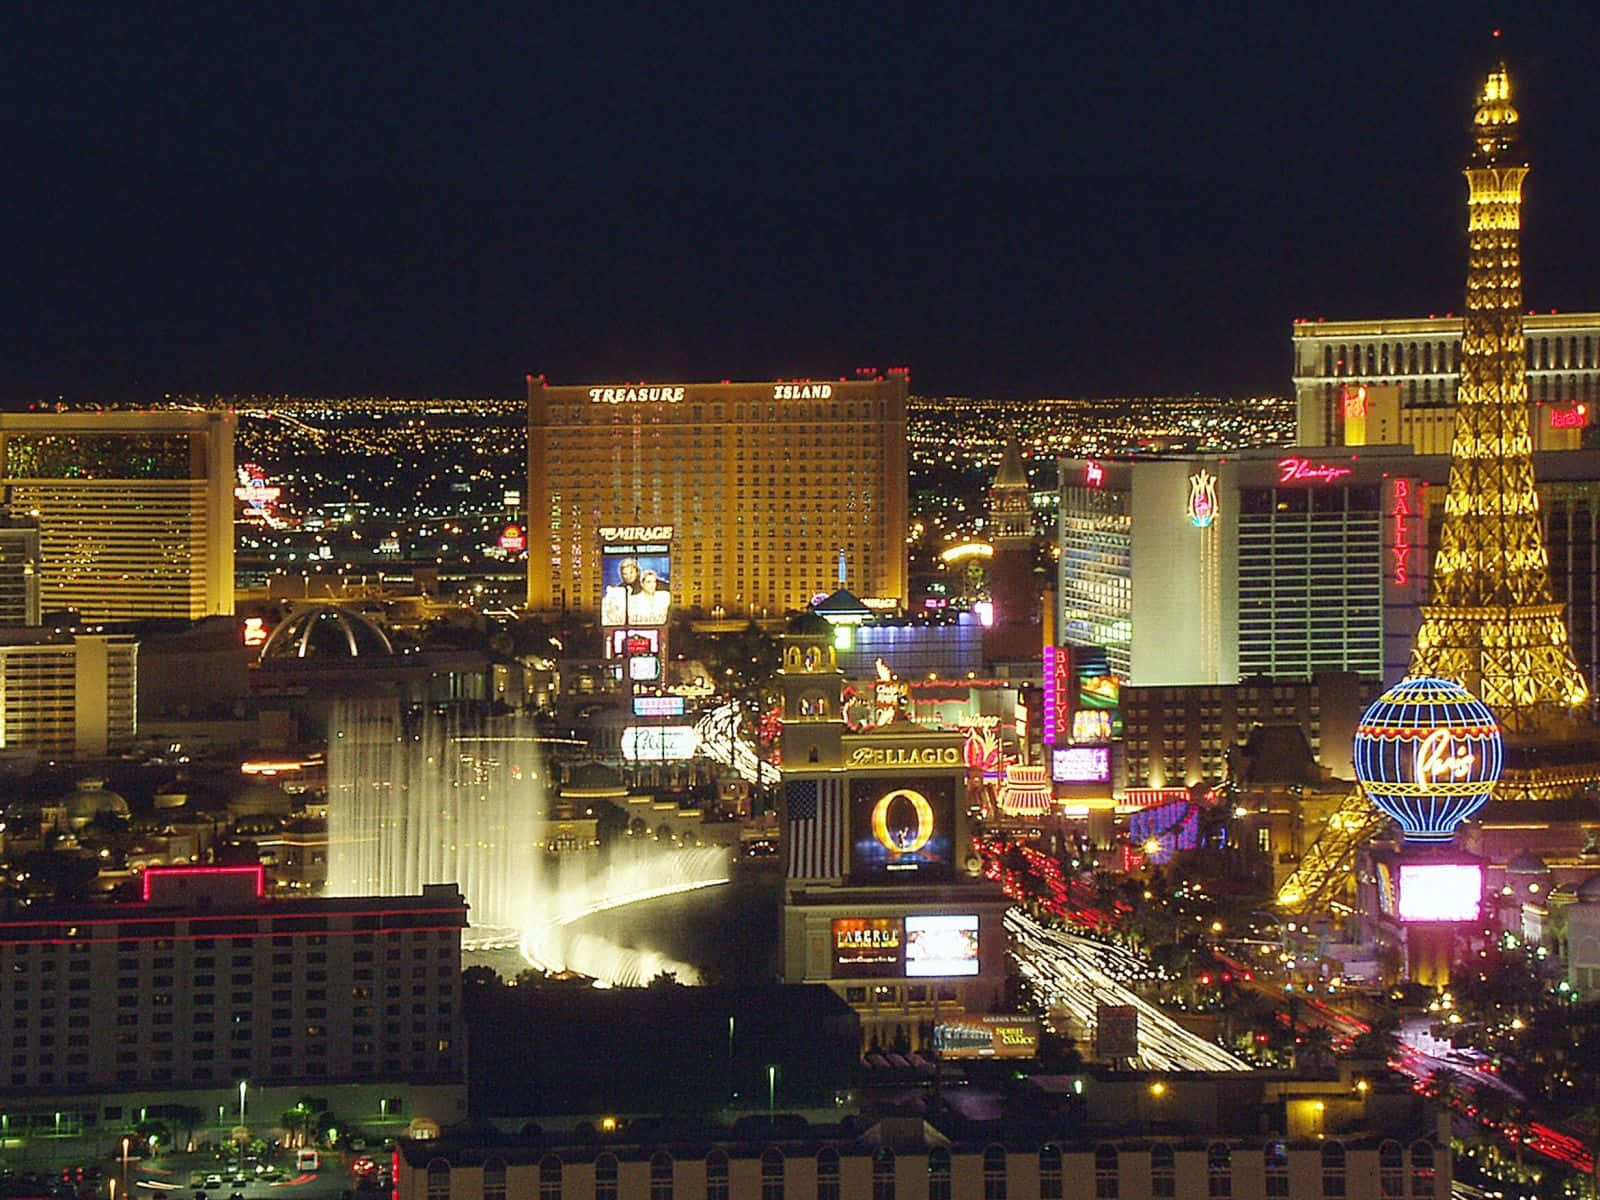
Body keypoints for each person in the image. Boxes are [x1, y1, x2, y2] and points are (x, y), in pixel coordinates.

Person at [600, 558, 641, 625]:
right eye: (625, 574)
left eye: (631, 572)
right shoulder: (617, 590)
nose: (628, 576)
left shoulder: (645, 586)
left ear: (637, 572)